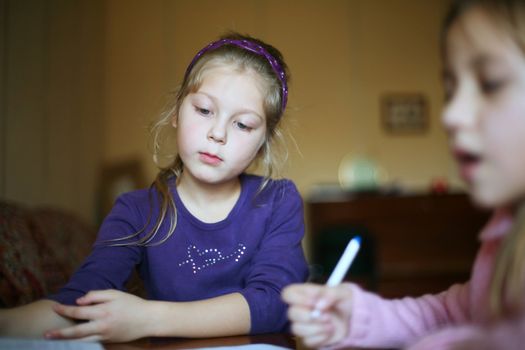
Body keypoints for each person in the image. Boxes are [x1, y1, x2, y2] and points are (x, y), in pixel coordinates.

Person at [0, 32, 308, 342]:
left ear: (262, 144)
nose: (218, 133)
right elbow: (80, 302)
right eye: (204, 110)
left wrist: (149, 318)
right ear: (176, 113)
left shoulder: (278, 201)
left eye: (242, 124)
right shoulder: (136, 211)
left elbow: (276, 303)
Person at [282, 0, 525, 349]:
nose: (451, 114)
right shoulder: (507, 230)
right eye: (450, 90)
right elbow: (455, 314)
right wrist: (358, 316)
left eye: (489, 84)